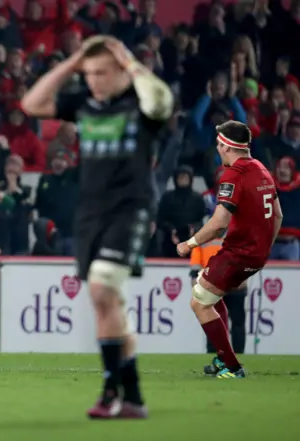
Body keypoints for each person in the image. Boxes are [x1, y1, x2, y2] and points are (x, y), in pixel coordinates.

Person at [21, 35, 174, 419]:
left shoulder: (139, 103)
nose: (94, 81)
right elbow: (31, 104)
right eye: (89, 74)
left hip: (131, 208)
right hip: (90, 214)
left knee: (104, 289)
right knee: (111, 302)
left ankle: (110, 391)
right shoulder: (84, 104)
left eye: (102, 72)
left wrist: (131, 62)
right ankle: (134, 398)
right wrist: (71, 64)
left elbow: (162, 102)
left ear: (123, 70)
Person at [177, 120, 282, 379]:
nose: (217, 149)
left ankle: (232, 367)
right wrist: (263, 247)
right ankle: (223, 357)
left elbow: (219, 224)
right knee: (208, 289)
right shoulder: (262, 170)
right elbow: (278, 215)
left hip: (239, 252)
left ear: (226, 146)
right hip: (257, 253)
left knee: (199, 303)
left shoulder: (234, 174)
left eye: (218, 145)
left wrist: (189, 244)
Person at [189, 229, 247, 374]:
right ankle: (231, 357)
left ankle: (223, 358)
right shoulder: (237, 233)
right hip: (231, 283)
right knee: (235, 321)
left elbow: (194, 268)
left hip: (214, 285)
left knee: (212, 319)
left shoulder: (203, 236)